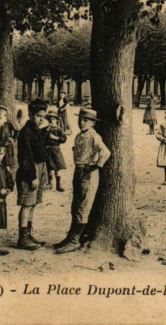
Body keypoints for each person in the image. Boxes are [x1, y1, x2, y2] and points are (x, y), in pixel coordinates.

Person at [54, 107, 110, 254]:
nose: (82, 122)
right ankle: (71, 236)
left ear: (92, 123)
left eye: (86, 120)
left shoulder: (94, 136)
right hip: (78, 171)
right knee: (75, 205)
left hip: (88, 173)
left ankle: (75, 241)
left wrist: (95, 165)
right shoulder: (79, 136)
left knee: (83, 206)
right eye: (81, 119)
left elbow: (105, 152)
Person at [15, 100, 49, 250]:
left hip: (40, 168)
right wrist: (32, 176)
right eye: (38, 115)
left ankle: (28, 234)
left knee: (33, 203)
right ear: (30, 115)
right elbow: (26, 157)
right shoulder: (25, 132)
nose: (41, 119)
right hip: (30, 171)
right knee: (27, 204)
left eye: (43, 116)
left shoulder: (37, 130)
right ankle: (22, 238)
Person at [43, 105, 68, 192]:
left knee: (58, 168)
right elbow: (42, 138)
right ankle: (50, 183)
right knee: (50, 167)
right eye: (50, 119)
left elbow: (64, 138)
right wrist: (47, 131)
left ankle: (59, 184)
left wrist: (56, 138)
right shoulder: (46, 129)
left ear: (56, 120)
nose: (52, 121)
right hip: (49, 150)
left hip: (56, 150)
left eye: (53, 119)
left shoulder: (59, 129)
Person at [0, 104, 18, 174]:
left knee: (6, 163)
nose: (0, 113)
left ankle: (7, 180)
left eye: (2, 111)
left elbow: (17, 131)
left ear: (5, 113)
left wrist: (12, 138)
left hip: (6, 145)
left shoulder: (8, 122)